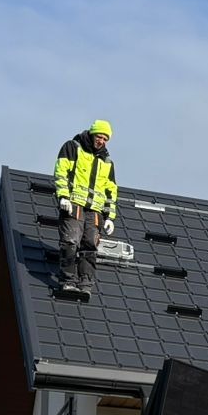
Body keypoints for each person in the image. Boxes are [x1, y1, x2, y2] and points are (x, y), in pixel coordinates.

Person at [54, 118, 119, 295]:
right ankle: (67, 280)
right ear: (92, 134)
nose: (102, 141)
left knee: (90, 246)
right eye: (100, 137)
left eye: (106, 139)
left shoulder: (107, 161)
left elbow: (110, 190)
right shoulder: (73, 147)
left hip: (95, 211)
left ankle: (85, 284)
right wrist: (63, 196)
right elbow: (61, 172)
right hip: (74, 204)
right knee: (70, 241)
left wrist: (110, 217)